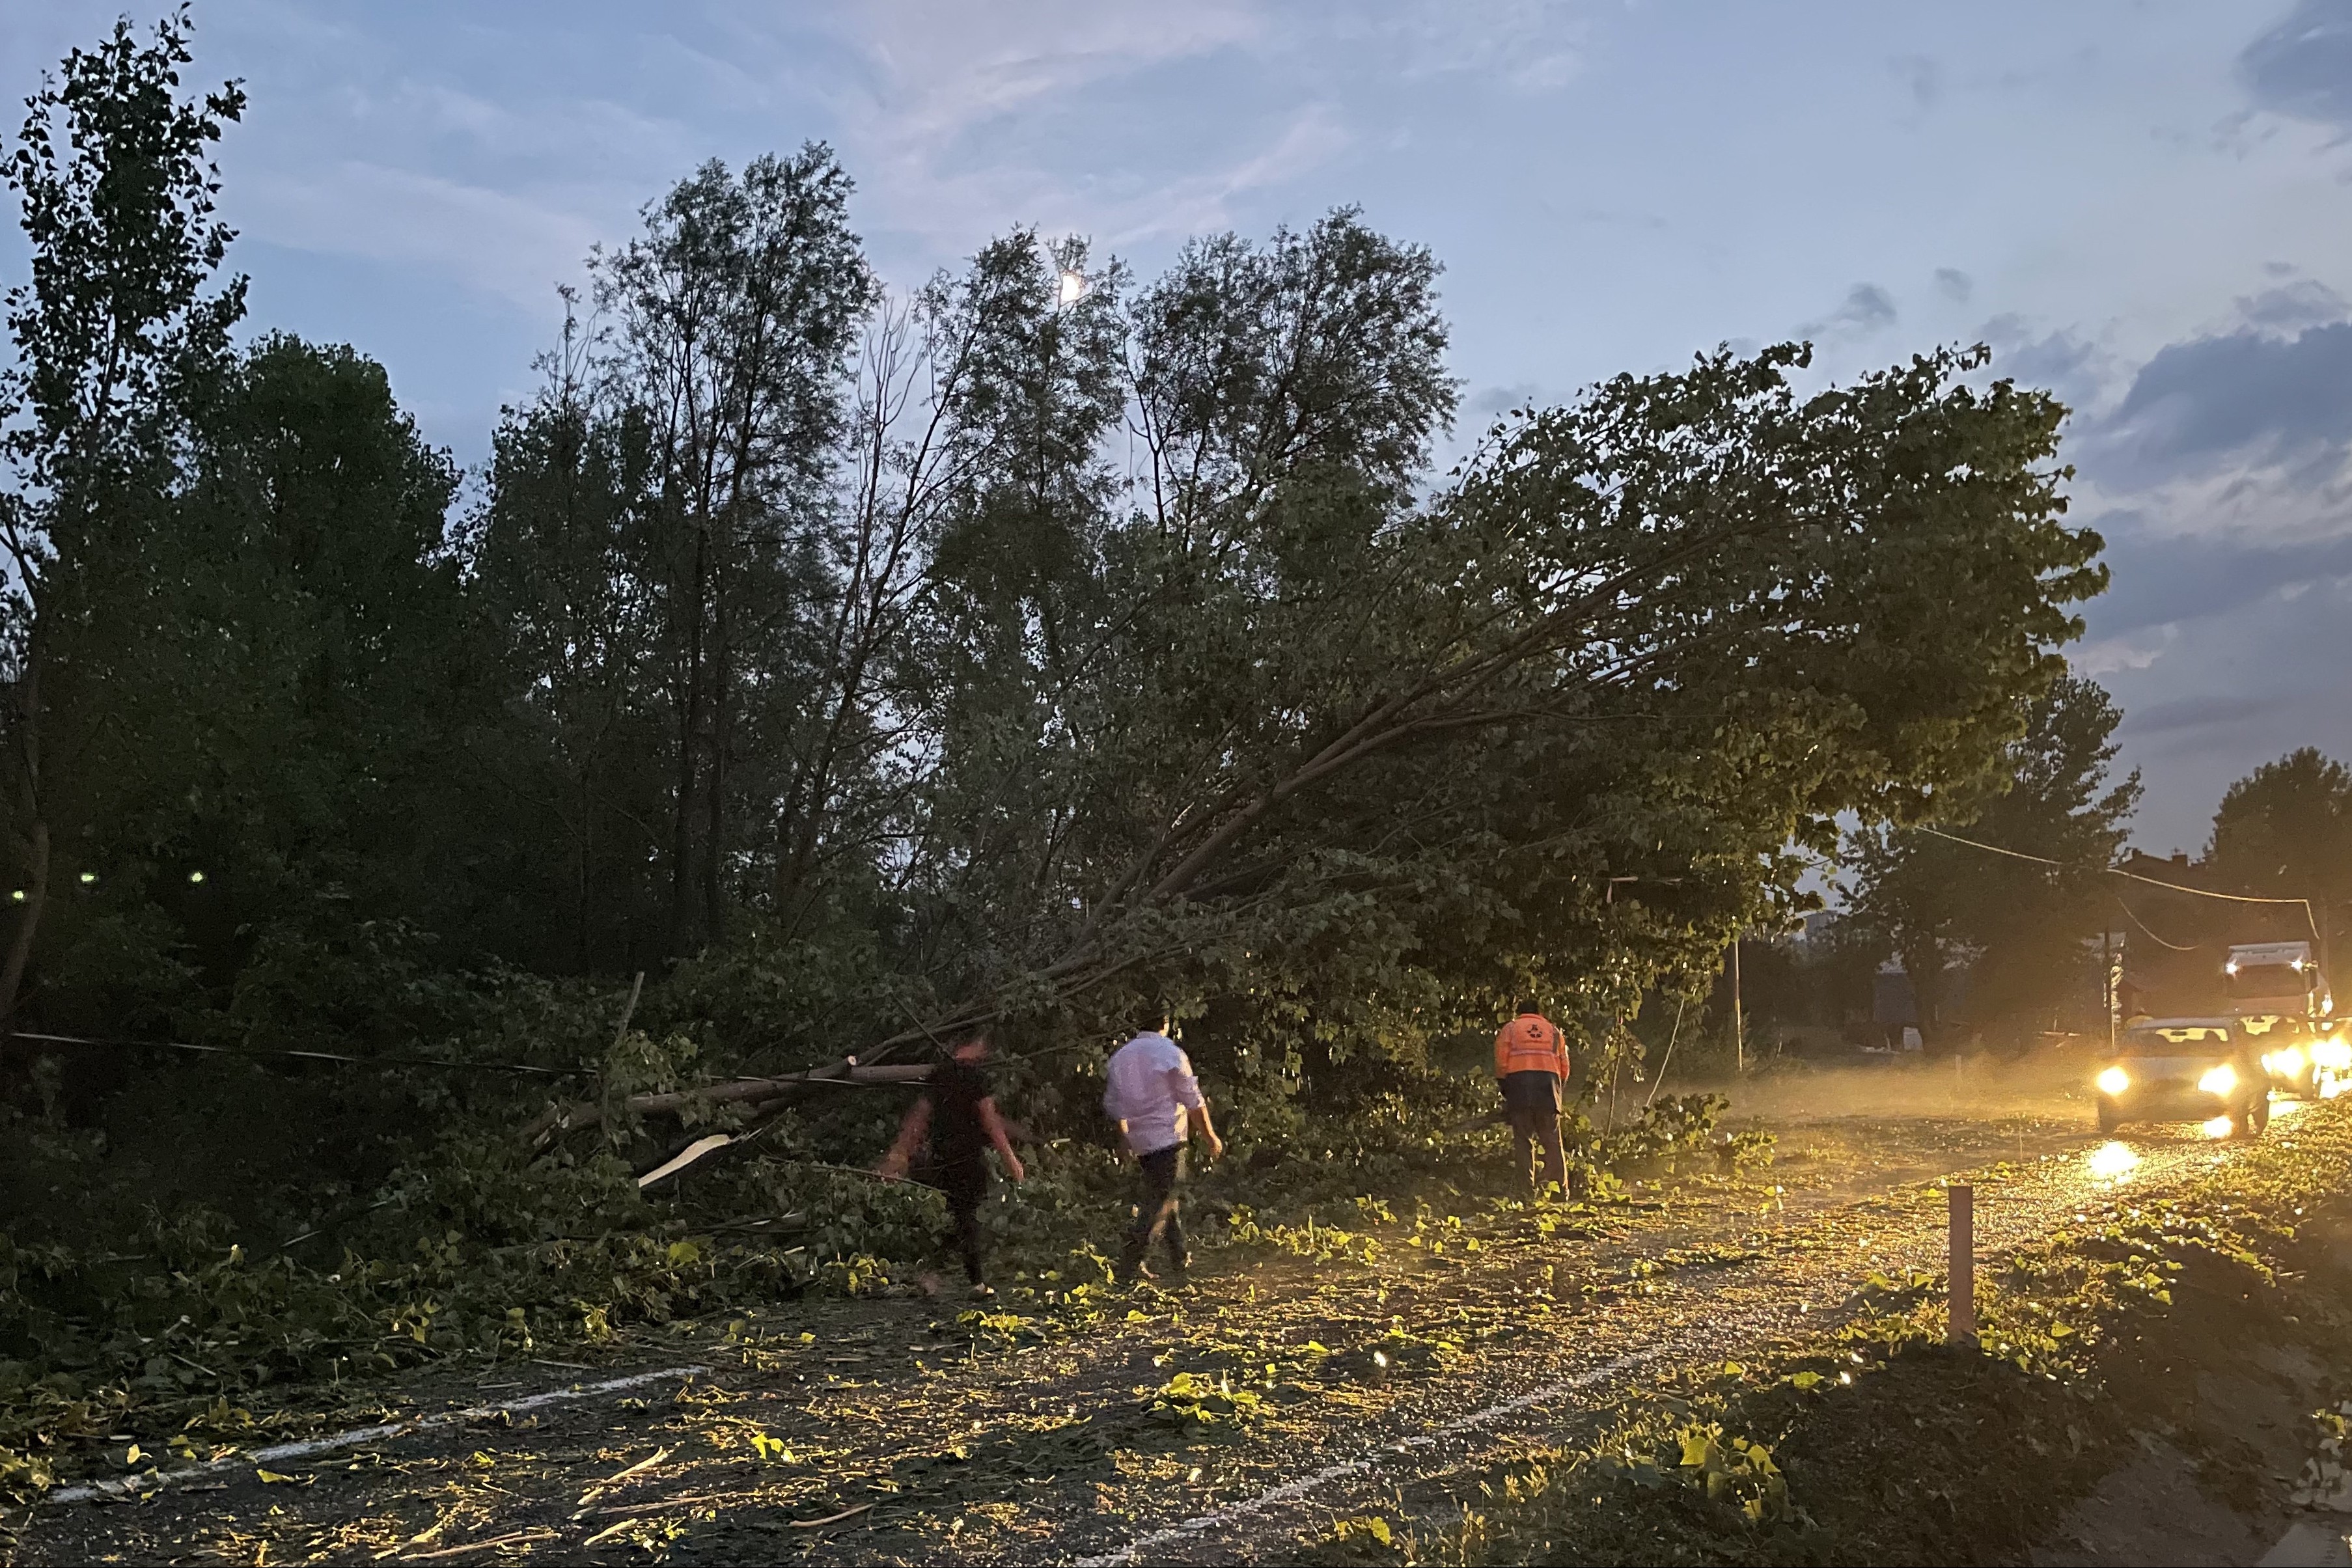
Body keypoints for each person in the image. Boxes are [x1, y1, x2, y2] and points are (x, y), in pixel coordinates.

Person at [877, 1030, 1025, 1299]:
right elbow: (990, 1120)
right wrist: (1010, 1158)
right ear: (977, 1045)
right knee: (966, 1217)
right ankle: (974, 1282)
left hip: (941, 1155)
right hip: (968, 1156)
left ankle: (933, 1274)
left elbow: (919, 1117)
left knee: (960, 1216)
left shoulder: (940, 1075)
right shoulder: (975, 1078)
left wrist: (901, 1152)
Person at [1102, 1016, 1223, 1287]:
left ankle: (1179, 1257)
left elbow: (1116, 1106)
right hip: (1169, 1137)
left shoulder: (1120, 1058)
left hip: (1141, 1142)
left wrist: (1125, 1141)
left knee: (1166, 1195)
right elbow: (1193, 1101)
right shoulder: (1170, 1053)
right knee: (1161, 1201)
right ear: (1165, 1023)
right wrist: (1210, 1136)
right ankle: (1130, 1264)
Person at [1495, 1002, 1570, 1196]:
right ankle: (1560, 1191)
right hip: (1548, 1088)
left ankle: (1526, 1192)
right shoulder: (1554, 1032)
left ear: (1519, 1013)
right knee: (1553, 1141)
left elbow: (1501, 1063)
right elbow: (1564, 1068)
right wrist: (1556, 1090)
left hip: (1520, 1089)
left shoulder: (1510, 1029)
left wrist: (1505, 1089)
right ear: (1540, 1013)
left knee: (1523, 1141)